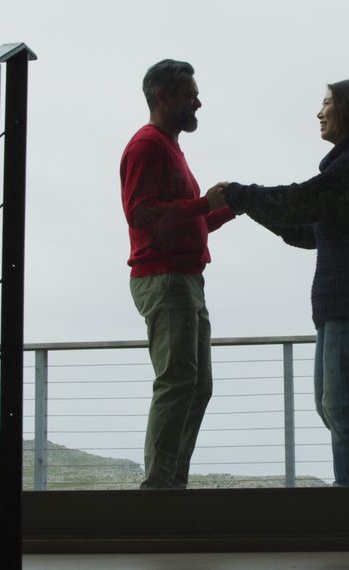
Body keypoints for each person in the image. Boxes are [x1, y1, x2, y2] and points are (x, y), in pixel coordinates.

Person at [205, 80, 349, 487]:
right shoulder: (344, 168)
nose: (319, 112)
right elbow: (305, 230)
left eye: (327, 103)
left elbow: (301, 202)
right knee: (330, 407)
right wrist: (246, 206)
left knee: (339, 406)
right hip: (337, 304)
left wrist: (242, 195)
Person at [120, 59, 235, 489]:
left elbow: (183, 220)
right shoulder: (147, 145)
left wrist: (224, 209)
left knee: (197, 385)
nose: (198, 103)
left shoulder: (167, 146)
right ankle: (158, 488)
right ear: (163, 97)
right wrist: (204, 204)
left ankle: (171, 483)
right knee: (177, 382)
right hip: (165, 278)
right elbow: (143, 214)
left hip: (184, 279)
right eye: (190, 95)